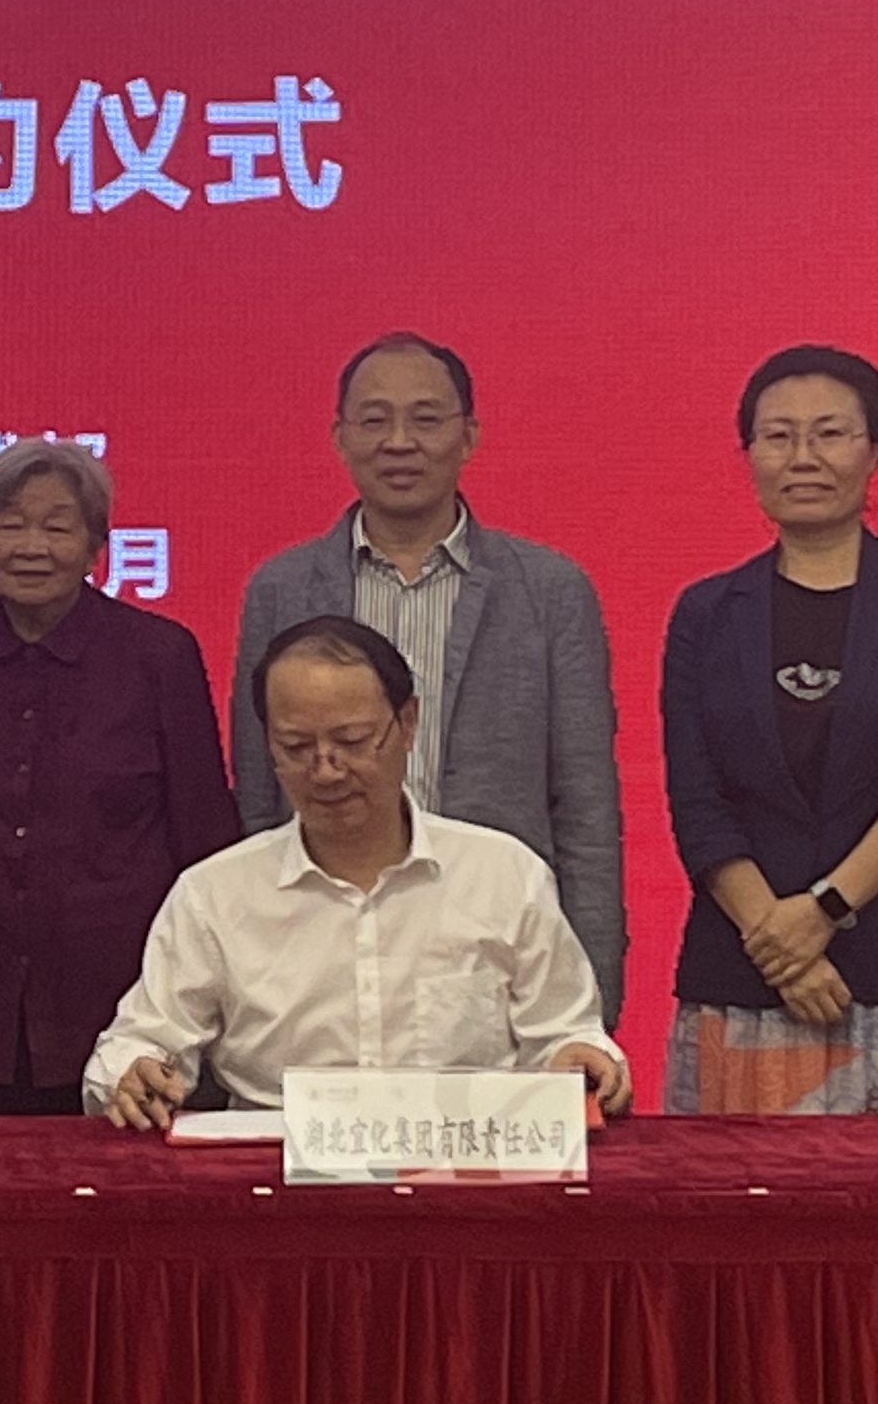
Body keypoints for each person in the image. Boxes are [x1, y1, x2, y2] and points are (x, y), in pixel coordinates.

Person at [90, 617, 629, 1128]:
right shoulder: (215, 893)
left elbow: (564, 1033)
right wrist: (134, 1071)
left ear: (407, 723)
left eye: (351, 741)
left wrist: (581, 1059)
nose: (326, 770)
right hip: (277, 1167)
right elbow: (137, 1042)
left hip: (463, 1162)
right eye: (296, 748)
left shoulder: (503, 874)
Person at [230, 331, 626, 1017]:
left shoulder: (550, 591)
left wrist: (590, 998)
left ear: (468, 435)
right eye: (374, 420)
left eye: (426, 418)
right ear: (339, 436)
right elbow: (260, 800)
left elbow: (585, 808)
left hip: (494, 943)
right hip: (318, 945)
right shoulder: (282, 589)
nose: (399, 442)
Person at [658, 345, 878, 1123]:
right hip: (744, 977)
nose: (803, 457)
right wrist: (774, 939)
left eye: (830, 433)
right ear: (749, 454)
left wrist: (823, 910)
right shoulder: (706, 612)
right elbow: (698, 800)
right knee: (738, 1202)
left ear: (874, 450)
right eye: (778, 436)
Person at [0, 439, 236, 1116]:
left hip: (128, 1003)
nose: (32, 546)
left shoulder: (159, 655)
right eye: (10, 524)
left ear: (96, 545)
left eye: (57, 527)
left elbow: (203, 836)